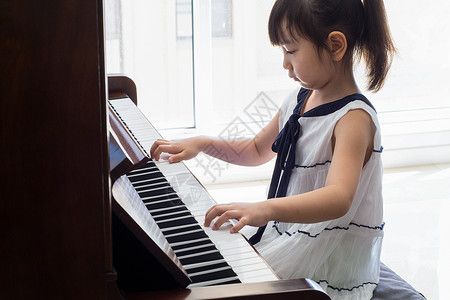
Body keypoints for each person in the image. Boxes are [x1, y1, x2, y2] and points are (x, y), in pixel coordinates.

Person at [150, 0, 395, 298]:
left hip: (328, 253)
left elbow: (338, 197)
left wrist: (263, 209)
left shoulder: (353, 118)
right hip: (290, 233)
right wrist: (203, 144)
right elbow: (255, 150)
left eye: (291, 50)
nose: (284, 63)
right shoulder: (298, 98)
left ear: (335, 46)